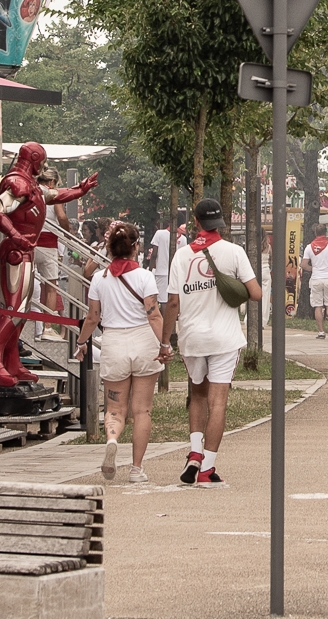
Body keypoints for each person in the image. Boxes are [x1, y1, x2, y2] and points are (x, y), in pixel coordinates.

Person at [161, 197, 260, 487]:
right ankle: (207, 468)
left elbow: (172, 303)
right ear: (221, 223)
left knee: (197, 394)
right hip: (225, 339)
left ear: (195, 222)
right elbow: (255, 294)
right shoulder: (234, 252)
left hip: (192, 338)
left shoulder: (181, 257)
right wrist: (231, 285)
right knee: (218, 402)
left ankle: (194, 451)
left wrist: (165, 342)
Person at [84, 222, 164, 484]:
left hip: (114, 342)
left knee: (115, 408)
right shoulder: (145, 277)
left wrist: (81, 341)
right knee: (142, 411)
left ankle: (112, 439)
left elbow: (93, 317)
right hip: (144, 342)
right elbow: (153, 315)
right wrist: (164, 345)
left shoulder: (99, 279)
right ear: (136, 247)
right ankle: (136, 469)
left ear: (110, 248)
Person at [302, 226, 328, 339]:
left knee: (317, 305)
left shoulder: (309, 247)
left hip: (316, 278)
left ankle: (321, 331)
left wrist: (313, 269)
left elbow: (304, 265)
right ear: (325, 232)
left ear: (315, 233)